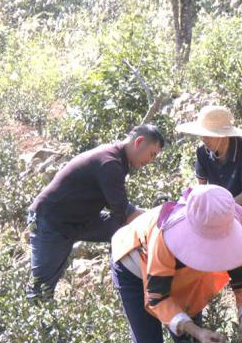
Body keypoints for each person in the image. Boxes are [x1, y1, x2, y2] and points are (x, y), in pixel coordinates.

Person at [110, 184, 242, 343]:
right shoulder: (165, 235)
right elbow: (158, 298)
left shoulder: (228, 233)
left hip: (181, 276)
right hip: (133, 267)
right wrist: (196, 329)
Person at [27, 124, 165, 301]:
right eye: (152, 154)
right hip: (52, 221)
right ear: (139, 142)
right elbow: (123, 210)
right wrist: (159, 215)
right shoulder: (110, 162)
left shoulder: (117, 160)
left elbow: (120, 214)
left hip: (80, 220)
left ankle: (134, 281)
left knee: (126, 230)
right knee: (41, 290)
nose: (150, 160)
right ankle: (35, 326)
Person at [176, 105, 242, 222]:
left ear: (223, 135)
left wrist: (220, 208)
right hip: (214, 211)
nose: (204, 139)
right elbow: (201, 186)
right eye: (202, 135)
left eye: (209, 135)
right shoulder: (202, 152)